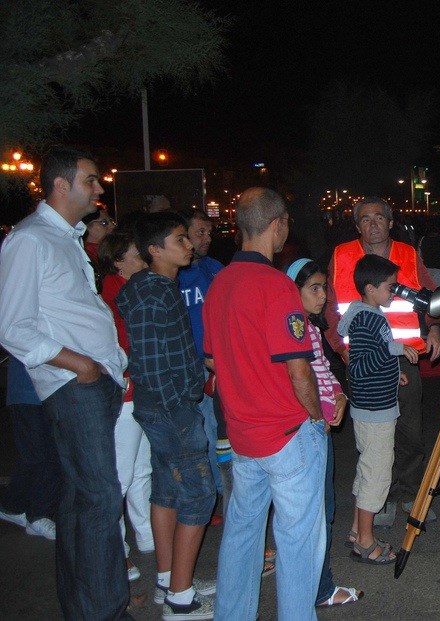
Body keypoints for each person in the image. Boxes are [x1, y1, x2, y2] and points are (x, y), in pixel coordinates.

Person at [0, 148, 130, 619]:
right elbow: (14, 326)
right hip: (75, 387)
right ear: (61, 185)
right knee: (100, 501)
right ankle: (106, 611)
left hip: (93, 383)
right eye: (91, 180)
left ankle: (86, 608)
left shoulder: (64, 239)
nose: (100, 189)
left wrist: (107, 364)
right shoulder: (30, 240)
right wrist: (80, 365)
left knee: (81, 503)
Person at [204, 187, 335, 620]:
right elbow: (299, 370)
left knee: (242, 534)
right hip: (285, 433)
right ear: (277, 224)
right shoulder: (275, 285)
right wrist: (317, 417)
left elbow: (212, 359)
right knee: (298, 539)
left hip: (243, 434)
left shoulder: (220, 282)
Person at [117, 212, 216, 620]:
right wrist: (185, 397)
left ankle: (168, 578)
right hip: (170, 409)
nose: (189, 244)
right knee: (199, 493)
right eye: (180, 239)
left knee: (166, 490)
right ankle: (180, 599)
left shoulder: (148, 287)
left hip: (161, 408)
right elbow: (154, 365)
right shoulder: (157, 293)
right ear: (155, 249)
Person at [325, 197, 440, 528]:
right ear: (357, 225)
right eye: (365, 219)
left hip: (404, 357)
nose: (373, 223)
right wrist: (339, 348)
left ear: (391, 222)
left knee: (409, 429)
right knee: (375, 435)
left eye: (379, 217)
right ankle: (385, 497)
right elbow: (331, 305)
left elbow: (430, 297)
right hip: (362, 361)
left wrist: (434, 328)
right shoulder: (342, 255)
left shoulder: (407, 253)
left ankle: (409, 494)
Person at [285, 258, 364, 607]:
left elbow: (323, 372)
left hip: (317, 422)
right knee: (318, 509)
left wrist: (340, 395)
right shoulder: (295, 327)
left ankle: (315, 586)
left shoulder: (311, 328)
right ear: (293, 290)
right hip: (308, 426)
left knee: (318, 507)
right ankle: (318, 589)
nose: (323, 297)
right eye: (313, 289)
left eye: (324, 288)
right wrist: (319, 414)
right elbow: (302, 377)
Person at [338, 254, 419, 563]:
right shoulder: (367, 319)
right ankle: (366, 541)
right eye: (389, 287)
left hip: (371, 408)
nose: (394, 292)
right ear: (370, 288)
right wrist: (392, 354)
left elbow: (374, 356)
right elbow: (358, 367)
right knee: (377, 474)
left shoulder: (366, 315)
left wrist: (390, 369)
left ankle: (357, 531)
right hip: (375, 411)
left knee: (368, 468)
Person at [99, 231, 155, 582]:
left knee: (142, 468)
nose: (143, 259)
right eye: (136, 254)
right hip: (126, 392)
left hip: (139, 389)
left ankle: (147, 537)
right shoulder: (112, 294)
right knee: (119, 475)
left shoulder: (126, 290)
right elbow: (121, 345)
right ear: (118, 260)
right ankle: (114, 551)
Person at [176, 209, 225, 515]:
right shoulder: (172, 276)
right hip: (186, 368)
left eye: (209, 232)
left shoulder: (215, 269)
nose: (206, 239)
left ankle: (220, 497)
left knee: (216, 434)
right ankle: (202, 499)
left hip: (215, 365)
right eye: (199, 233)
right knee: (197, 439)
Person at [0, 356, 61, 541]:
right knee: (40, 455)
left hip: (53, 392)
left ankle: (12, 506)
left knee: (51, 455)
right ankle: (37, 514)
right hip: (28, 392)